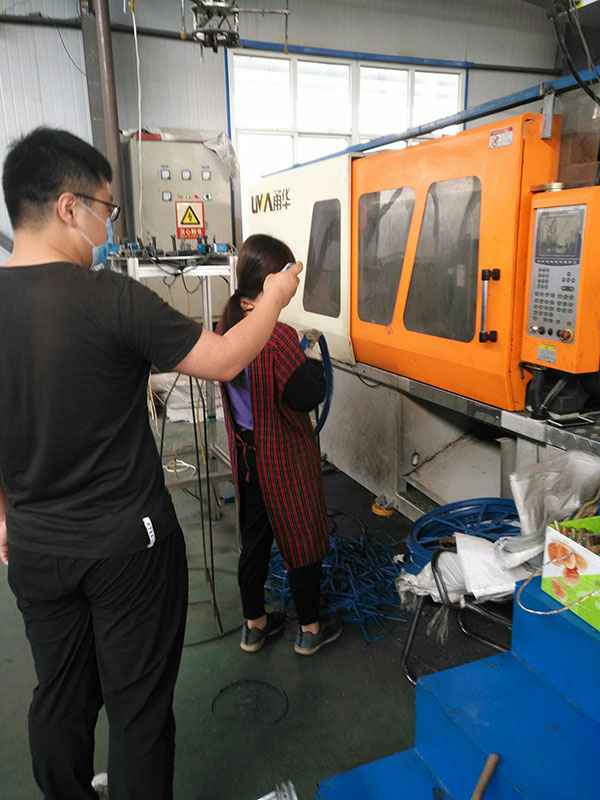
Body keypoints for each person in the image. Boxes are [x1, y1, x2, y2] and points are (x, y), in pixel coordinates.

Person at [0, 127, 301, 800]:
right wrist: (276, 299)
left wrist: (6, 515)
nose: (107, 228)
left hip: (37, 547)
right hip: (127, 546)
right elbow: (224, 359)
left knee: (60, 695)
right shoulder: (109, 297)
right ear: (69, 207)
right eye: (105, 209)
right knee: (137, 708)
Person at [219, 234, 343, 657]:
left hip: (247, 458)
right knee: (300, 539)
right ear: (273, 280)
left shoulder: (227, 325)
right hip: (282, 458)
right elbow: (305, 396)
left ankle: (254, 625)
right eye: (290, 272)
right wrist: (311, 362)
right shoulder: (277, 336)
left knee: (254, 542)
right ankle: (310, 629)